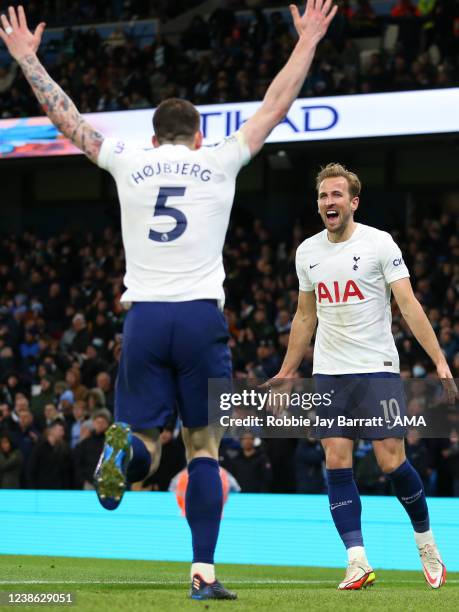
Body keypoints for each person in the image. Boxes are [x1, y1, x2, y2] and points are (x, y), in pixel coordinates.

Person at [0, 1, 337, 600]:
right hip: (202, 316)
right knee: (203, 446)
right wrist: (307, 39)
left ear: (153, 137)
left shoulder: (129, 161)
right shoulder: (220, 158)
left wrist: (28, 58)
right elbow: (276, 105)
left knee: (148, 448)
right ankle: (203, 573)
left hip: (146, 318)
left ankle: (122, 453)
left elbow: (68, 120)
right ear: (198, 134)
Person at [270, 162, 457, 590]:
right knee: (336, 461)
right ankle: (357, 560)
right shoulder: (307, 252)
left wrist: (440, 361)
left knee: (392, 462)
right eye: (322, 196)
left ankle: (426, 543)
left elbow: (408, 305)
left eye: (336, 195)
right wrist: (288, 369)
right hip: (330, 373)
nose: (328, 202)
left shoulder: (379, 243)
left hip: (376, 368)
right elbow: (304, 315)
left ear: (353, 202)